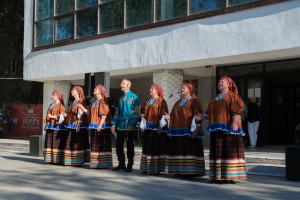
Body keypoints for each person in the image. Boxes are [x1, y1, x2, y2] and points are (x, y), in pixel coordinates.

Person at [203, 76, 247, 183]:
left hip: (228, 128)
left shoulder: (233, 96)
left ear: (229, 84)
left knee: (227, 151)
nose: (220, 83)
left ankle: (229, 176)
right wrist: (202, 116)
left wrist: (235, 120)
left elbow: (238, 110)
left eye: (222, 82)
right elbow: (208, 112)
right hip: (216, 129)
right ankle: (217, 176)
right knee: (217, 152)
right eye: (219, 82)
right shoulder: (216, 98)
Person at [163, 82, 205, 178]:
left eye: (184, 88)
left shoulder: (194, 101)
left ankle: (189, 172)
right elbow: (173, 114)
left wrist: (197, 129)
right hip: (177, 131)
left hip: (188, 130)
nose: (182, 89)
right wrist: (169, 117)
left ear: (190, 90)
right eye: (181, 88)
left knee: (188, 151)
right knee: (178, 150)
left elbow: (198, 115)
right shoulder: (178, 102)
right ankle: (178, 170)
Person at [111, 79, 140, 172]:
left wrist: (132, 124)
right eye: (121, 83)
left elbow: (136, 111)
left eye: (123, 83)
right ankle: (121, 163)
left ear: (128, 85)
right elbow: (117, 112)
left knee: (129, 145)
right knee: (118, 145)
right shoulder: (120, 97)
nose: (121, 85)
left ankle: (130, 164)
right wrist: (113, 123)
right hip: (120, 124)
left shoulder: (134, 97)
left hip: (129, 124)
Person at [140, 84, 169, 175]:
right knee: (147, 148)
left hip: (157, 129)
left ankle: (156, 169)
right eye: (150, 88)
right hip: (148, 128)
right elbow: (142, 111)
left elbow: (163, 115)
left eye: (153, 88)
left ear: (158, 91)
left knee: (156, 148)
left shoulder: (161, 101)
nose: (151, 89)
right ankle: (147, 168)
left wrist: (160, 127)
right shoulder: (147, 101)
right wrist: (142, 115)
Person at [85, 84, 113, 169]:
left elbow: (104, 115)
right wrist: (82, 108)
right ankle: (95, 163)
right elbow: (89, 113)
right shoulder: (93, 102)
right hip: (94, 125)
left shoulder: (103, 100)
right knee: (94, 144)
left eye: (96, 89)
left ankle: (104, 163)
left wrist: (100, 125)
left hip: (101, 126)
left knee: (102, 144)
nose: (94, 89)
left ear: (100, 91)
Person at [62, 86, 90, 166]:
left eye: (73, 90)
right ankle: (71, 160)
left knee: (76, 143)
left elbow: (81, 115)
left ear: (78, 92)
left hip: (78, 126)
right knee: (70, 142)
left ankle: (78, 161)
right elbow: (73, 114)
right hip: (72, 124)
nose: (71, 91)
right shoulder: (75, 101)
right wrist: (67, 115)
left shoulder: (81, 101)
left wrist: (78, 126)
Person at [44, 90, 66, 164]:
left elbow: (62, 117)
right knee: (49, 142)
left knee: (56, 142)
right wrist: (49, 117)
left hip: (57, 127)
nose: (52, 96)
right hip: (50, 126)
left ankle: (57, 159)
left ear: (58, 97)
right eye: (52, 95)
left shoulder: (61, 106)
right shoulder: (51, 105)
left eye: (54, 95)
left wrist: (53, 116)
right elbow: (47, 115)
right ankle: (50, 159)